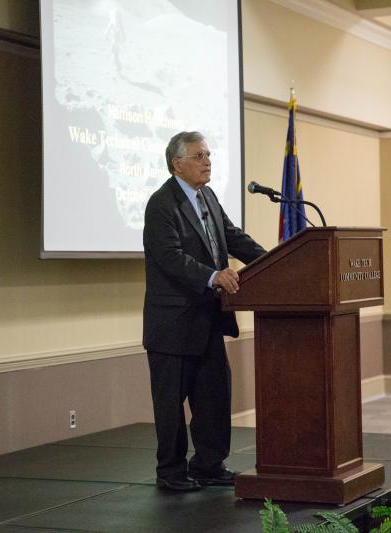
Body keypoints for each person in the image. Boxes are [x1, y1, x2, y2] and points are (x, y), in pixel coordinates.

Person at [142, 131, 266, 491]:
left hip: (208, 319)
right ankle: (172, 472)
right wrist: (213, 275)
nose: (207, 161)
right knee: (170, 405)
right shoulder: (161, 204)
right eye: (199, 156)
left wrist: (273, 259)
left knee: (213, 395)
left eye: (208, 154)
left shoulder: (207, 196)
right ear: (177, 163)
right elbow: (169, 257)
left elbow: (232, 236)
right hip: (172, 323)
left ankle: (209, 464)